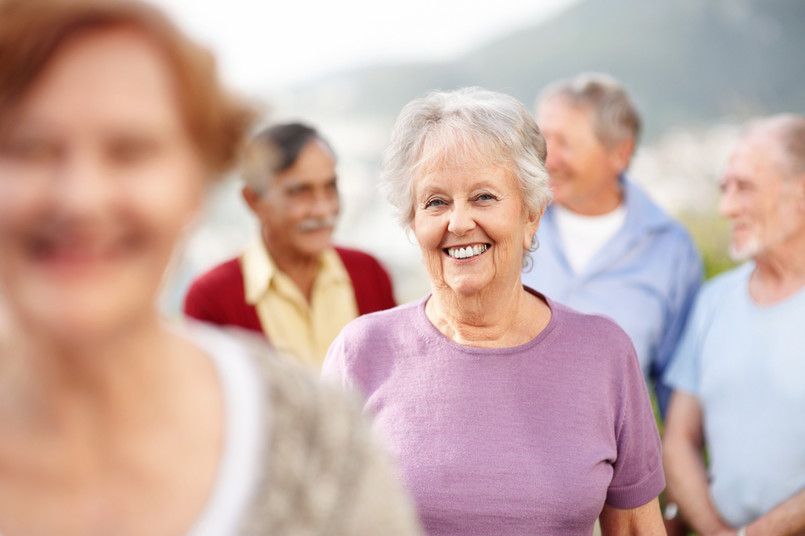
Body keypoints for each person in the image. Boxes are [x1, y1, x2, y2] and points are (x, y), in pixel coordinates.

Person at [0, 1, 423, 534]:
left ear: (195, 185)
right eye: (30, 148)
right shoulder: (215, 293)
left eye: (130, 151)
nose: (81, 198)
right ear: (253, 201)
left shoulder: (322, 448)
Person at [322, 87, 666, 535]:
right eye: (435, 202)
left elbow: (639, 530)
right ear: (413, 222)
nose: (459, 222)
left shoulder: (604, 353)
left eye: (484, 197)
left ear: (532, 215)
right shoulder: (362, 351)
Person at [521, 73, 702, 415]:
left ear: (620, 153)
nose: (548, 159)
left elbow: (676, 390)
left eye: (566, 144)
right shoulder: (510, 222)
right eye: (542, 142)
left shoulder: (671, 249)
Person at [662, 114, 805, 536]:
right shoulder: (714, 300)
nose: (726, 207)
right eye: (725, 188)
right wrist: (716, 531)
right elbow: (678, 440)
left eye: (744, 187)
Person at [184, 122, 396, 368]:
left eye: (330, 188)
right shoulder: (212, 299)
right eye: (300, 192)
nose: (322, 209)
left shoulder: (370, 275)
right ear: (254, 201)